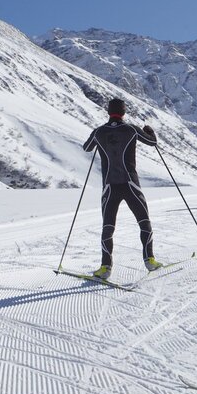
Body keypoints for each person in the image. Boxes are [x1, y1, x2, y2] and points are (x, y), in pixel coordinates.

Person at [82, 98, 163, 279]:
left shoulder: (99, 131)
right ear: (124, 112)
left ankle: (105, 268)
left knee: (108, 227)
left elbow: (87, 148)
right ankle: (149, 260)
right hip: (131, 184)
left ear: (108, 112)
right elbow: (152, 142)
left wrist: (97, 139)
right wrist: (149, 131)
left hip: (109, 186)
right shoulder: (131, 129)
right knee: (144, 221)